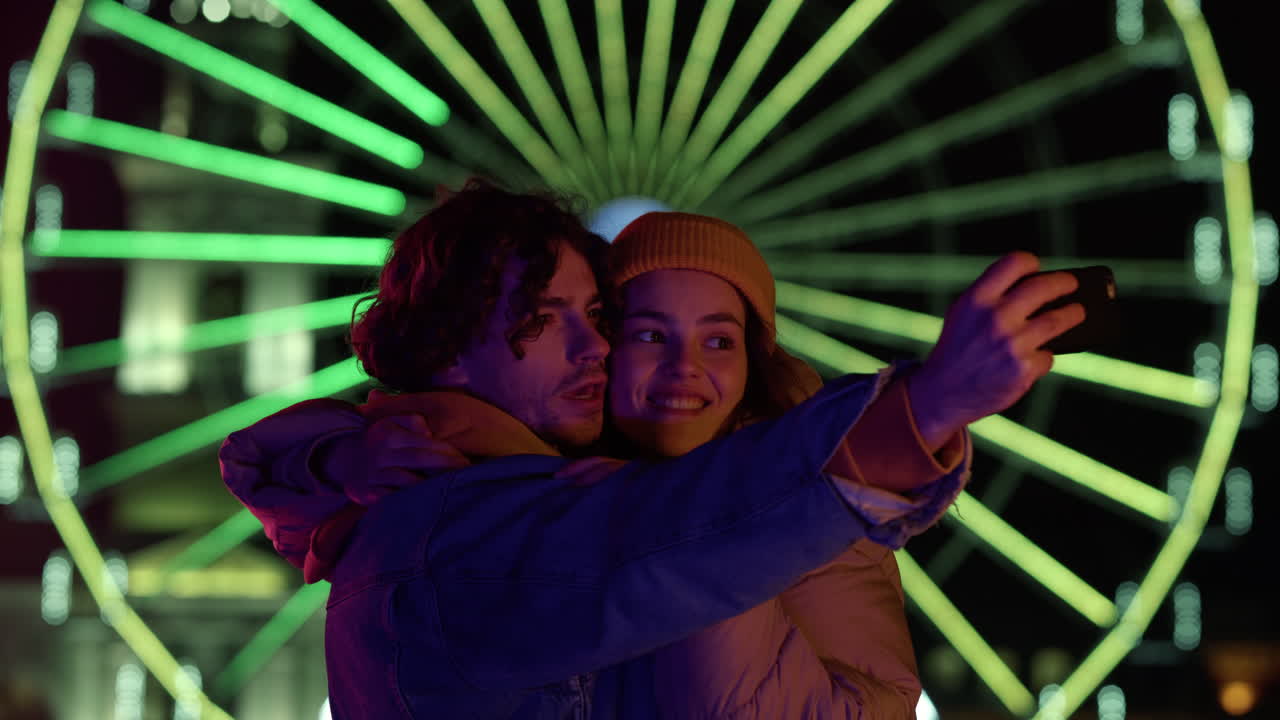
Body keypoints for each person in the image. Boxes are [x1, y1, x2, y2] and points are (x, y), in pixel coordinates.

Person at [220, 179, 1084, 718]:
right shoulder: (459, 528)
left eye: (594, 318)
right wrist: (926, 405)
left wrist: (323, 456)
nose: (592, 350)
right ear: (443, 345)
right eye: (540, 319)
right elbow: (655, 544)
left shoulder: (434, 493)